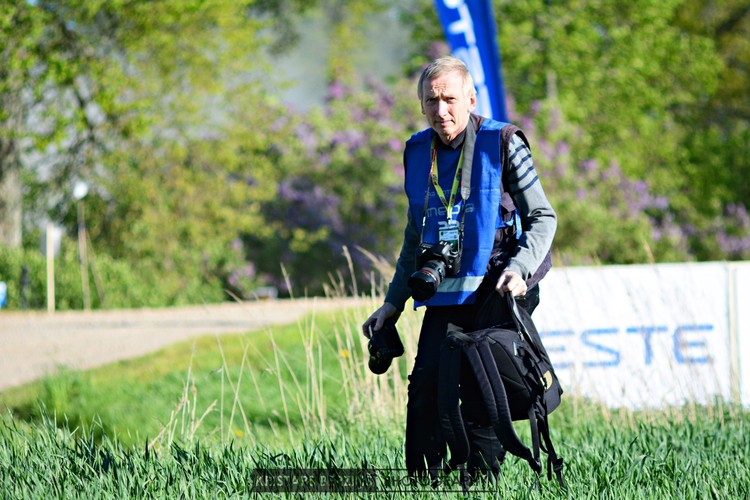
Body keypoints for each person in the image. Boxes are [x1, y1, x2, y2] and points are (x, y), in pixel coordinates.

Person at [361, 56, 557, 479]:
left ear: (470, 99)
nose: (441, 110)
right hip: (446, 288)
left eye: (449, 99)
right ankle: (424, 481)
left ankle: (481, 483)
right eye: (431, 101)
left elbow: (544, 217)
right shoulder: (416, 151)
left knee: (481, 384)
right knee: (425, 386)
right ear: (421, 106)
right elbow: (415, 238)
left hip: (500, 285)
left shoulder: (503, 141)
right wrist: (391, 305)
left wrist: (520, 269)